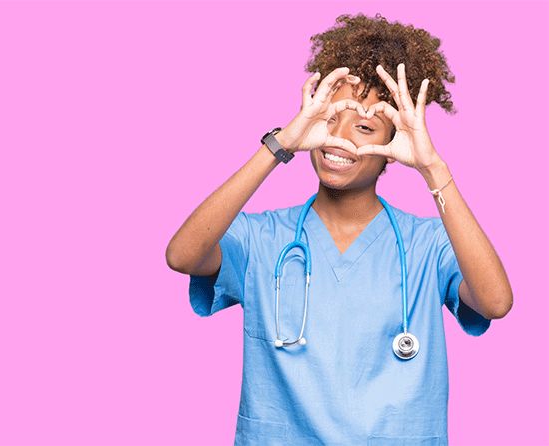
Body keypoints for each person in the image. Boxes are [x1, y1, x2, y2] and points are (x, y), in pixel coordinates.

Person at [165, 12, 513, 445]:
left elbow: (495, 301)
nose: (339, 139)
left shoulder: (428, 245)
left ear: (392, 148)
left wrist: (432, 168)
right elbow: (182, 255)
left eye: (365, 127)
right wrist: (281, 144)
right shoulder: (261, 238)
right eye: (330, 119)